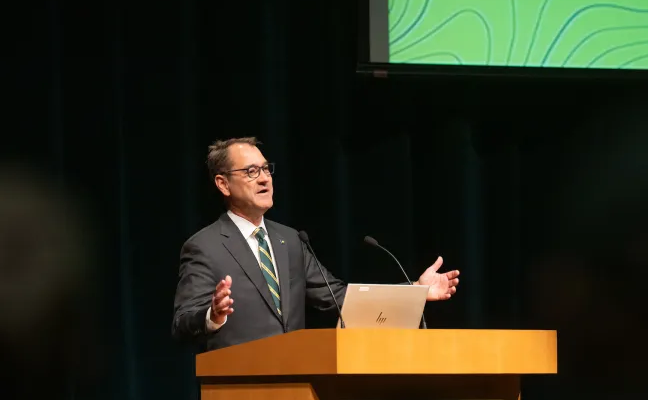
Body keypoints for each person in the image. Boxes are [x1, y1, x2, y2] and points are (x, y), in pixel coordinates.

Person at [172, 137, 459, 351]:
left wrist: (416, 292)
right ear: (223, 184)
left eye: (266, 169)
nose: (264, 179)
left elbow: (339, 298)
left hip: (296, 393)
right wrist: (213, 314)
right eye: (250, 172)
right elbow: (182, 324)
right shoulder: (205, 246)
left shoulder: (290, 241)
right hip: (236, 396)